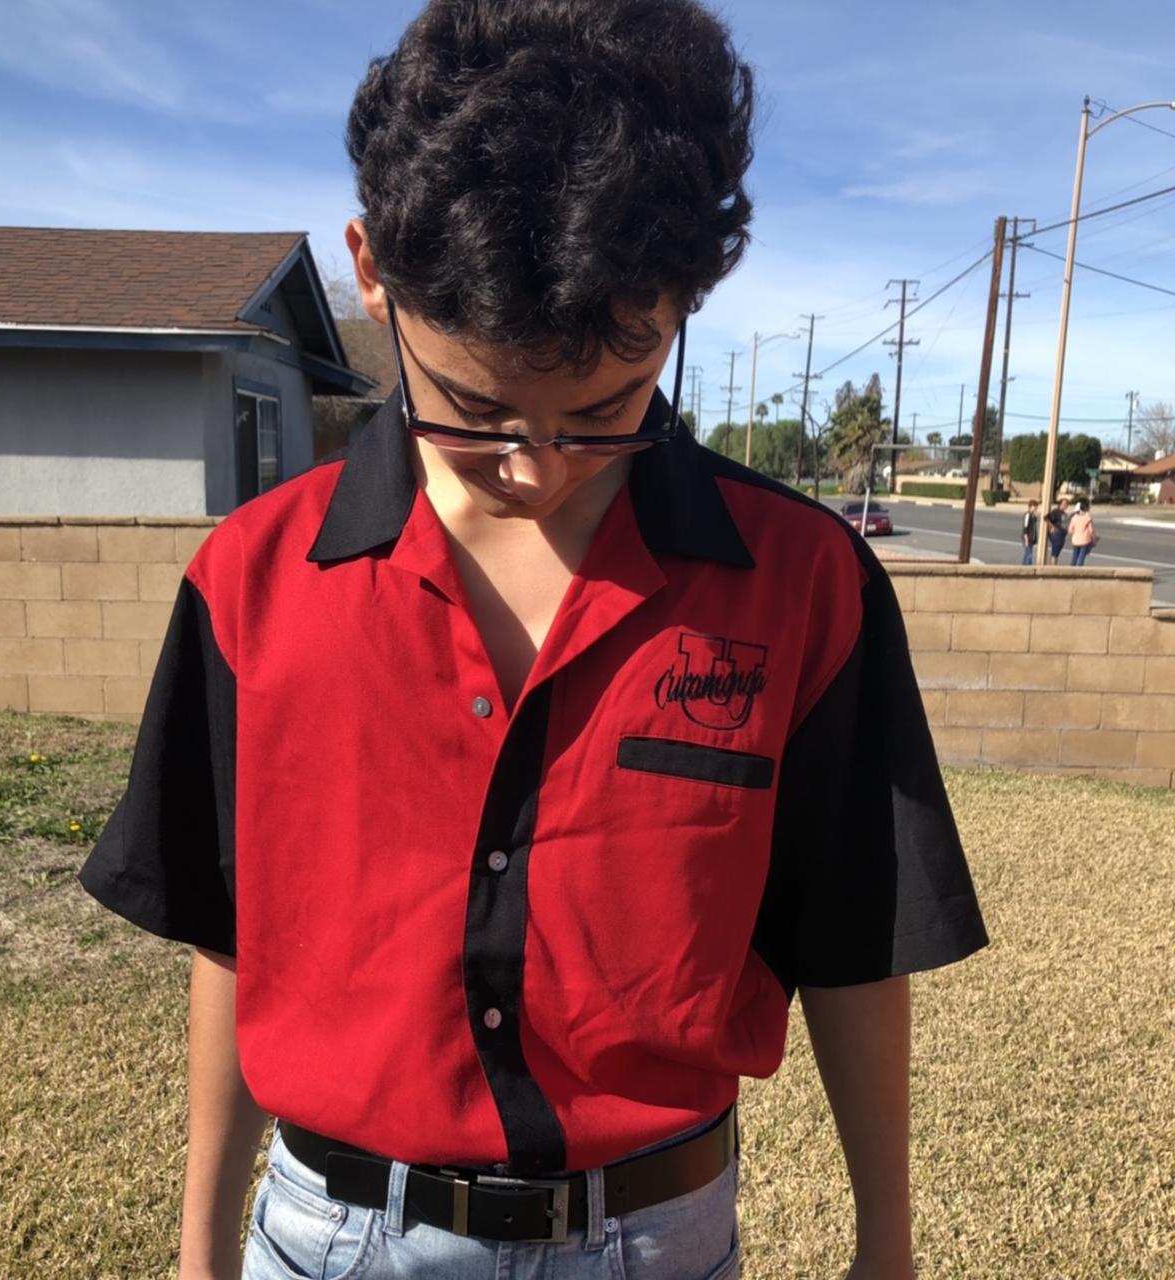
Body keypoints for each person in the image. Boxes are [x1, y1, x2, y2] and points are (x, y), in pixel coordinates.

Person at [78, 3, 987, 1278]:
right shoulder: (252, 583)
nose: (534, 463)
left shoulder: (802, 587)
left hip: (659, 1239)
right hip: (327, 1237)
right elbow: (231, 930)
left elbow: (852, 940)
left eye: (604, 408)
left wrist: (884, 1241)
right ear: (373, 270)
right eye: (472, 405)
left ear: (682, 303)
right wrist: (197, 1249)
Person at [1068, 498, 1098, 566]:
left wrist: (1075, 533)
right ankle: (1079, 569)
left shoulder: (1074, 517)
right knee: (1081, 556)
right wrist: (1094, 540)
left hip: (1075, 539)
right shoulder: (1087, 517)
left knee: (1074, 555)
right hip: (1084, 540)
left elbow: (1070, 530)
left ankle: (1072, 568)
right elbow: (1091, 530)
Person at [1046, 497, 1070, 565]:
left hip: (1062, 535)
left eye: (1066, 505)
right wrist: (1052, 527)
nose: (1065, 506)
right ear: (1060, 504)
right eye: (1064, 504)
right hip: (1056, 535)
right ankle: (1052, 567)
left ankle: (1055, 566)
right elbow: (1046, 518)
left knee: (1057, 552)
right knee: (1055, 552)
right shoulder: (1055, 511)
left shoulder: (1064, 514)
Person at [1020, 499, 1039, 565]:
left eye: (1036, 507)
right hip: (1028, 538)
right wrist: (1026, 540)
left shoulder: (1034, 516)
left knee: (1027, 555)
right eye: (1035, 506)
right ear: (1030, 507)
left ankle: (1023, 568)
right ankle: (1027, 569)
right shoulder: (1027, 515)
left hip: (1032, 538)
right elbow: (1025, 528)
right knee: (1029, 556)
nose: (1036, 508)